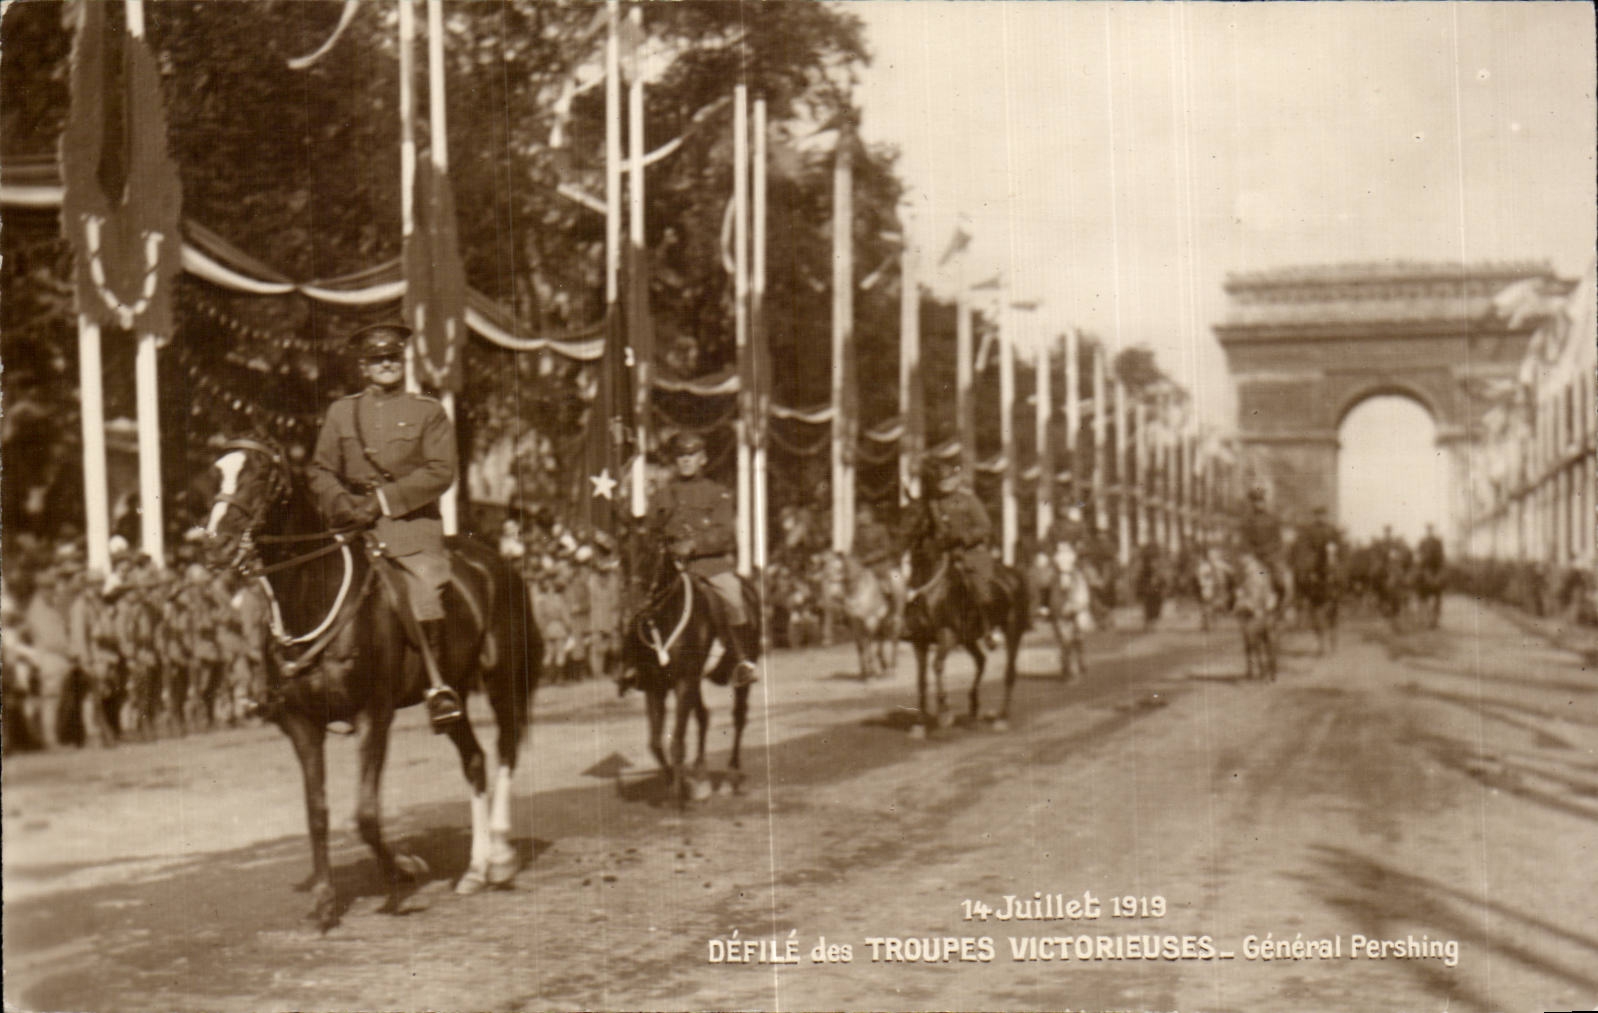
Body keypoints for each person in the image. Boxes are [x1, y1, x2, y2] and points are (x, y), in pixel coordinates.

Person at [307, 322, 463, 730]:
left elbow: (441, 471)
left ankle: (436, 687)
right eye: (378, 359)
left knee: (425, 590)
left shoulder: (426, 411)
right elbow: (321, 470)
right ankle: (321, 687)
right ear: (364, 367)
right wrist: (344, 505)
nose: (388, 364)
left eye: (394, 356)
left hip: (410, 529)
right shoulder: (342, 412)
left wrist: (382, 501)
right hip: (353, 529)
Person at [645, 431, 758, 689]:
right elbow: (650, 530)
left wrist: (694, 545)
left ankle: (741, 661)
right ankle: (633, 663)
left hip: (708, 567)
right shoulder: (662, 495)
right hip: (669, 568)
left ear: (702, 459)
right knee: (641, 600)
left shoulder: (717, 493)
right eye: (680, 456)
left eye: (691, 455)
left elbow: (726, 533)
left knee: (733, 596)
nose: (685, 460)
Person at [905, 456, 1001, 644]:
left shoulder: (968, 500)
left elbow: (985, 526)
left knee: (979, 588)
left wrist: (964, 537)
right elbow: (931, 527)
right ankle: (916, 626)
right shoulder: (934, 504)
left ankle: (989, 627)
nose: (945, 486)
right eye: (942, 483)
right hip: (945, 555)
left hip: (972, 553)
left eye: (949, 482)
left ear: (955, 482)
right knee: (921, 583)